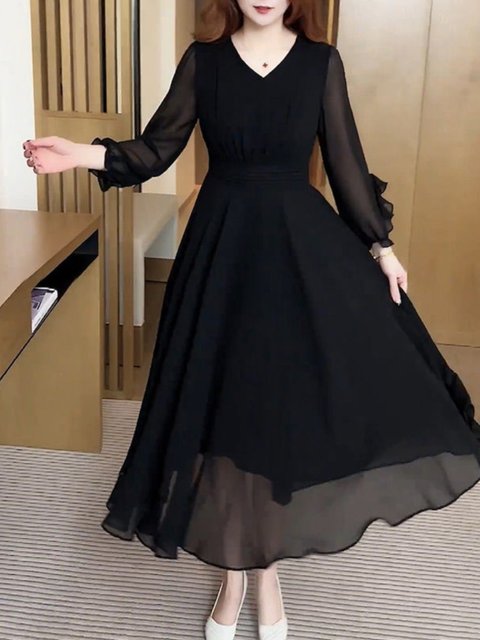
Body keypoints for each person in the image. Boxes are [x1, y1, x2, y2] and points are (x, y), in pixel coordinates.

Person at [22, 1, 480, 639]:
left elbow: (345, 161)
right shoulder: (204, 61)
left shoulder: (320, 63)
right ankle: (234, 573)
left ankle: (264, 572)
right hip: (220, 251)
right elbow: (157, 149)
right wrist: (78, 153)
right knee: (223, 405)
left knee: (278, 405)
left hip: (295, 251)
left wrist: (381, 248)